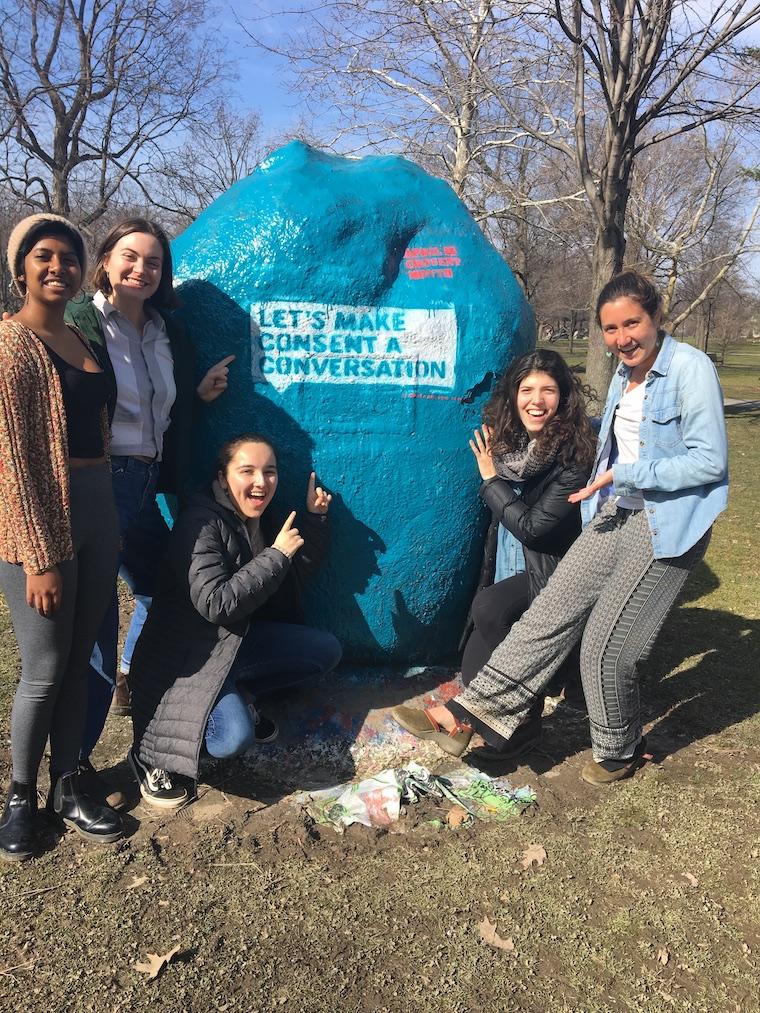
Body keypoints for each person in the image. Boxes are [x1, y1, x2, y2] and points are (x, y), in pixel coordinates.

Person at [399, 270, 729, 785]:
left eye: (632, 324)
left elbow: (710, 462)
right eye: (611, 329)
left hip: (667, 519)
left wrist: (627, 473)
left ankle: (619, 750)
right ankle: (469, 713)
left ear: (657, 316)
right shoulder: (625, 373)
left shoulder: (690, 368)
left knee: (606, 645)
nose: (622, 339)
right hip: (615, 510)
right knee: (546, 614)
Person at [65, 218, 234, 798]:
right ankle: (76, 768)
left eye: (154, 261)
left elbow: (158, 405)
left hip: (145, 480)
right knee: (93, 621)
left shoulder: (166, 331)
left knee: (161, 587)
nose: (142, 269)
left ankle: (130, 684)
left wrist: (196, 393)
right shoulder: (82, 324)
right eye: (130, 257)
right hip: (97, 482)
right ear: (106, 261)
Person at [392, 349, 596, 758]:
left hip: (560, 567)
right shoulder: (512, 444)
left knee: (489, 610)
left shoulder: (574, 452)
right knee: (475, 651)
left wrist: (489, 480)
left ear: (564, 397)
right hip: (513, 561)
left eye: (548, 390)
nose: (536, 400)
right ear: (513, 395)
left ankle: (454, 718)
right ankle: (518, 729)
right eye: (527, 390)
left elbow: (534, 529)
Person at [127, 433, 342, 808]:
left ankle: (240, 695)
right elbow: (215, 603)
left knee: (324, 650)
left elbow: (285, 580)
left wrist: (315, 520)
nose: (262, 482)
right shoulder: (200, 523)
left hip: (235, 644)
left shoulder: (260, 516)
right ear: (223, 477)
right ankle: (149, 758)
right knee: (231, 740)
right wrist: (276, 554)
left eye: (270, 472)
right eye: (248, 471)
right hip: (190, 658)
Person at [0, 215, 124, 861]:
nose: (58, 267)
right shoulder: (12, 343)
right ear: (20, 267)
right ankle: (20, 795)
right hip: (45, 514)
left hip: (100, 503)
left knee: (81, 658)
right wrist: (39, 556)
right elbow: (14, 460)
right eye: (42, 256)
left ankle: (69, 782)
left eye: (68, 257)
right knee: (44, 668)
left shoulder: (79, 334)